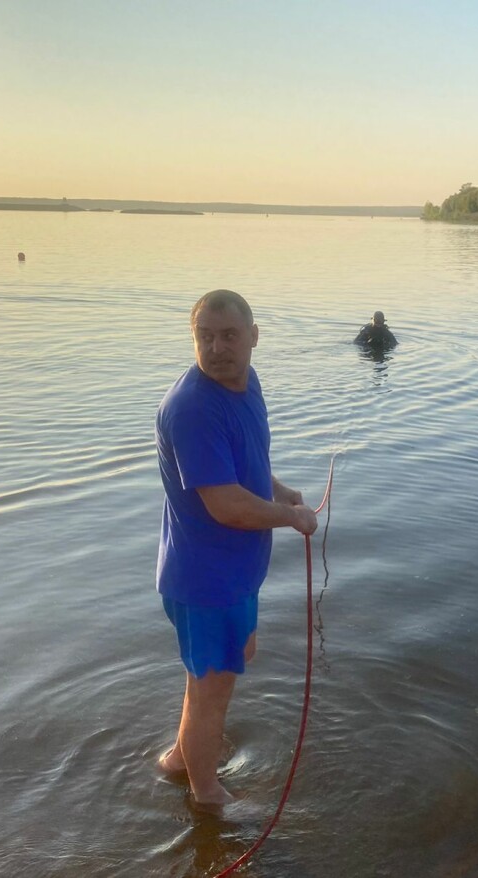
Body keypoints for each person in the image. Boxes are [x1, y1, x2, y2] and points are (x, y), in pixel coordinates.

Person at [154, 288, 317, 805]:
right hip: (205, 580)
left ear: (253, 337)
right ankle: (206, 798)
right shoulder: (193, 409)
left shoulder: (246, 384)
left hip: (234, 573)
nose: (217, 348)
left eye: (229, 335)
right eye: (205, 336)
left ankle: (180, 760)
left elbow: (243, 460)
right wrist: (292, 518)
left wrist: (279, 491)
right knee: (212, 691)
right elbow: (225, 504)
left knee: (226, 664)